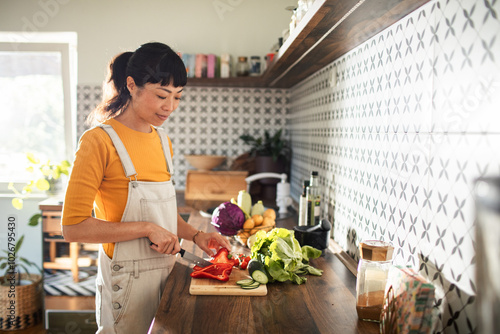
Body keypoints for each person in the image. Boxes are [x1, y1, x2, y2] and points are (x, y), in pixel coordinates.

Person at [61, 42, 231, 333]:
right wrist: (145, 228)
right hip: (125, 283)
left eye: (178, 97)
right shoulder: (98, 142)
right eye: (162, 95)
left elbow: (165, 217)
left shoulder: (163, 141)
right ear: (131, 85)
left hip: (167, 276)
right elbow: (73, 227)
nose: (170, 106)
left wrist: (198, 235)